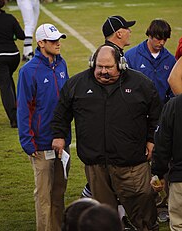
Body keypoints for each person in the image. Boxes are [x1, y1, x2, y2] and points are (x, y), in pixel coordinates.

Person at [51, 44, 162, 231]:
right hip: (96, 166)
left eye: (108, 67)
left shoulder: (141, 84)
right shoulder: (76, 84)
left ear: (120, 64)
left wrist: (152, 140)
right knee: (103, 220)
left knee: (142, 214)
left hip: (131, 164)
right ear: (92, 64)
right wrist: (59, 135)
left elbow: (157, 116)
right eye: (99, 66)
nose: (103, 71)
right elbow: (61, 113)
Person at [83, 15, 137, 231]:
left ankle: (120, 219)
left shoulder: (116, 53)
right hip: (109, 131)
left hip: (110, 130)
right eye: (127, 28)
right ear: (119, 33)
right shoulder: (108, 57)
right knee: (111, 181)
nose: (130, 32)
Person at [17, 23, 71, 231]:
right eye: (53, 40)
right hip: (40, 145)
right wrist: (29, 144)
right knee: (44, 197)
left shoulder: (62, 64)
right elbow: (24, 109)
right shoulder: (28, 71)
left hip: (62, 143)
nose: (58, 43)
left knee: (59, 194)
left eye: (58, 39)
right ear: (41, 43)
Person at [125, 19, 176, 105]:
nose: (162, 43)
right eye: (158, 39)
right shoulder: (131, 56)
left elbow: (173, 88)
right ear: (150, 35)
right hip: (138, 110)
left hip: (162, 110)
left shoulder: (170, 59)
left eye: (165, 39)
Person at [151, 94, 182, 231]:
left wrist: (158, 173)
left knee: (179, 224)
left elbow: (162, 143)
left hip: (180, 177)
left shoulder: (174, 104)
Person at [0, 0, 25, 128]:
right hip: (14, 56)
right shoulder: (9, 18)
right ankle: (17, 113)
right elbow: (21, 35)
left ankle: (14, 119)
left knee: (4, 86)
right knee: (8, 81)